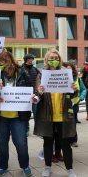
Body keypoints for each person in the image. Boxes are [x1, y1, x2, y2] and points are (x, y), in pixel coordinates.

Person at [33, 49, 78, 177]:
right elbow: (37, 96)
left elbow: (74, 95)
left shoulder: (66, 73)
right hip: (48, 115)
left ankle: (70, 169)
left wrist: (74, 89)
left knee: (65, 144)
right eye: (51, 58)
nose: (54, 60)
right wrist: (39, 93)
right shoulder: (42, 75)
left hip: (63, 115)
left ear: (59, 59)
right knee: (47, 142)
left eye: (56, 58)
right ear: (46, 60)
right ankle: (47, 167)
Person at [0, 51, 33, 176]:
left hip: (18, 116)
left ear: (10, 60)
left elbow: (29, 89)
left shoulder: (22, 73)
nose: (1, 64)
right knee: (2, 143)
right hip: (1, 116)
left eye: (3, 61)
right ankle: (2, 166)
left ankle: (25, 166)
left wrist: (33, 97)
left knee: (21, 142)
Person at [62, 62, 86, 147]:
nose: (68, 70)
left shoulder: (77, 79)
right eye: (66, 68)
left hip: (74, 105)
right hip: (63, 105)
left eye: (70, 68)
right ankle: (65, 139)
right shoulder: (61, 78)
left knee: (73, 123)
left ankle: (73, 140)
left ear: (73, 70)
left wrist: (81, 98)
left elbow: (83, 90)